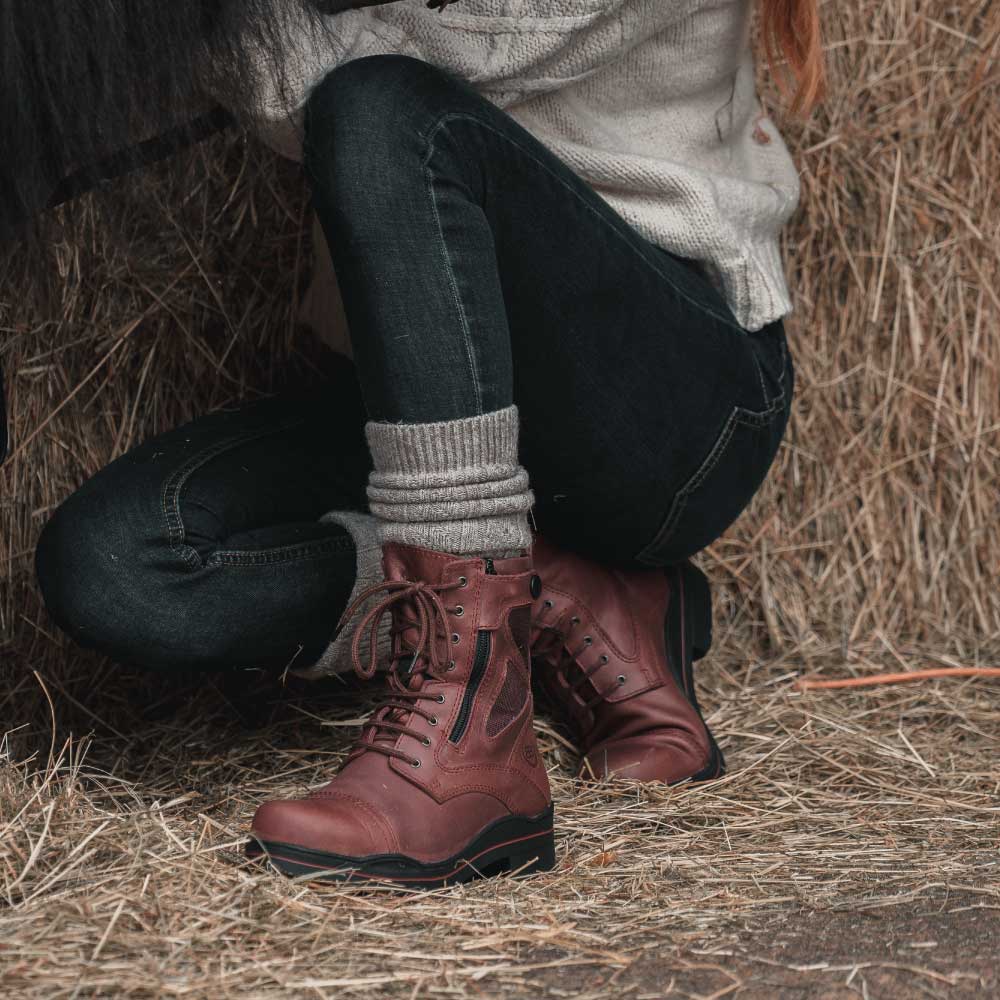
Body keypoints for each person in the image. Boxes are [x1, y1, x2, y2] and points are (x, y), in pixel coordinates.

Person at [17, 0, 821, 886]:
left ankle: (475, 725)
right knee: (114, 567)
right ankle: (556, 589)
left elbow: (397, 55)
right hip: (442, 408)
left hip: (665, 409)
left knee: (381, 107)